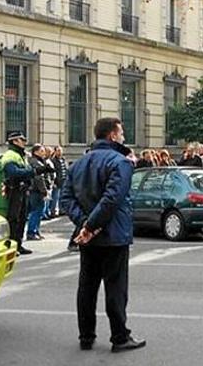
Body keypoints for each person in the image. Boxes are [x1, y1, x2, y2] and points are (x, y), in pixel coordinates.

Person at [63, 117, 146, 353]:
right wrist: (90, 226)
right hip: (113, 235)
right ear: (112, 135)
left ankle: (86, 336)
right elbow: (112, 199)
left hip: (89, 237)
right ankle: (120, 337)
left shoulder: (78, 163)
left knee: (87, 287)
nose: (123, 136)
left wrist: (84, 224)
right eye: (121, 132)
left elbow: (67, 199)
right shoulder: (120, 162)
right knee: (116, 288)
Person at [1, 131, 40, 255]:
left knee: (22, 218)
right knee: (13, 218)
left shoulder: (21, 155)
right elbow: (14, 173)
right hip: (14, 190)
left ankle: (18, 244)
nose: (24, 142)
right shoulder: (10, 155)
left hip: (22, 190)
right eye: (21, 140)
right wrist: (33, 172)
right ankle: (11, 246)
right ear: (14, 141)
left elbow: (26, 170)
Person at [26, 144, 51, 241]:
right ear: (35, 152)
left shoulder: (39, 161)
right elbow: (39, 178)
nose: (44, 153)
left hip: (38, 190)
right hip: (36, 191)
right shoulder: (35, 162)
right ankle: (31, 232)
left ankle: (36, 231)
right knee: (36, 211)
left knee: (39, 212)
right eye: (41, 151)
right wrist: (44, 191)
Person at [49, 146, 68, 217]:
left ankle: (62, 210)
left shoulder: (63, 159)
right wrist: (54, 181)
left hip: (64, 180)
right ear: (55, 152)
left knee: (62, 197)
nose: (60, 152)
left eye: (60, 151)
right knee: (55, 197)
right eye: (58, 151)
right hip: (57, 181)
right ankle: (52, 211)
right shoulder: (53, 160)